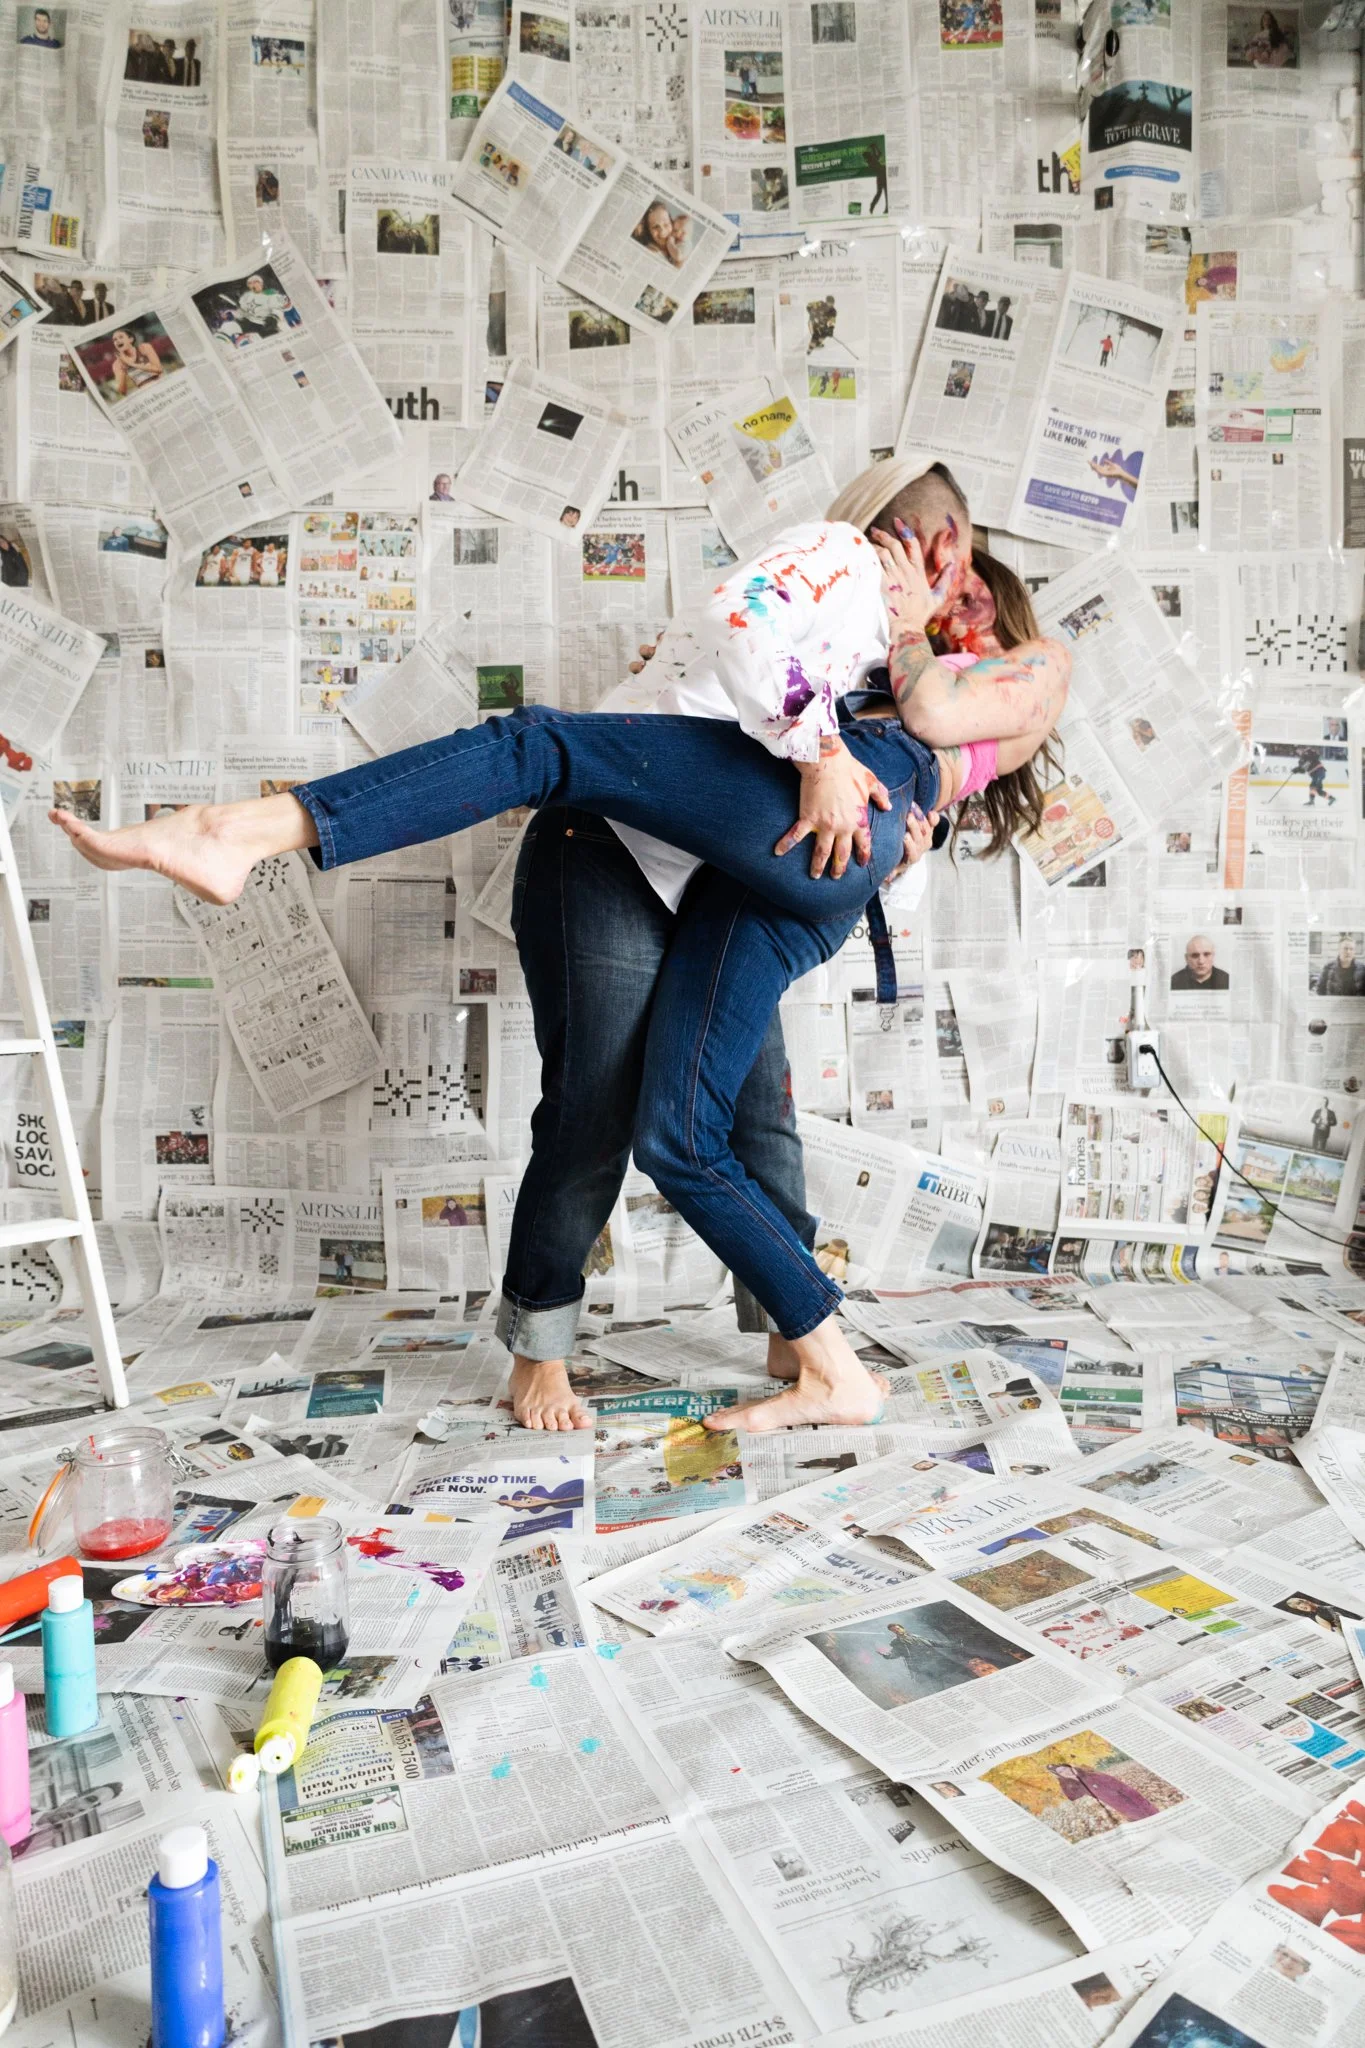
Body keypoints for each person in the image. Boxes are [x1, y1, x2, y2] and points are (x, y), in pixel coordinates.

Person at [50, 459, 1068, 1435]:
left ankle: (797, 1338)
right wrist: (829, 747)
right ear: (939, 540)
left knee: (752, 1111)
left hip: (717, 868)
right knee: (597, 1107)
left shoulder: (885, 663)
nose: (960, 611)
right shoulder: (846, 558)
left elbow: (869, 820)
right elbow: (742, 633)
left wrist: (871, 791)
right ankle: (541, 1339)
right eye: (963, 585)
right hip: (610, 853)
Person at [107, 327, 163, 395]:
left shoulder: (144, 347)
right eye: (115, 340)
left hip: (160, 385)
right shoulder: (117, 364)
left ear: (131, 339)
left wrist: (131, 364)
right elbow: (122, 391)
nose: (118, 341)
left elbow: (159, 369)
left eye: (121, 337)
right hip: (144, 392)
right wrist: (124, 372)